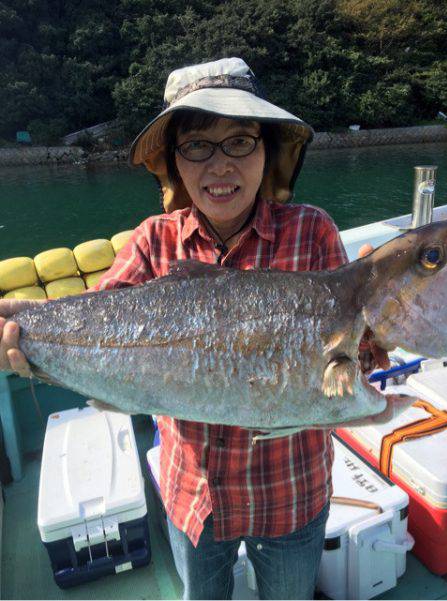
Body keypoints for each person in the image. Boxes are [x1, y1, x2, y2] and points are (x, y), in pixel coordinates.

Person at [0, 57, 389, 600]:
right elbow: (96, 322)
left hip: (293, 491)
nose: (220, 166)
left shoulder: (313, 231)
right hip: (192, 495)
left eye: (240, 142)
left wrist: (373, 340)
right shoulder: (152, 241)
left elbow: (343, 364)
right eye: (197, 146)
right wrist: (21, 338)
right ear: (174, 163)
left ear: (267, 149)